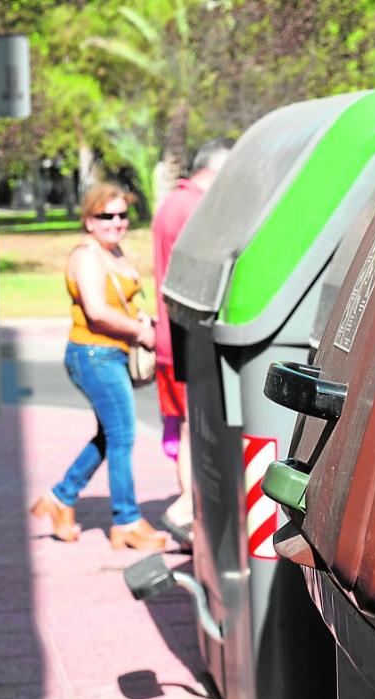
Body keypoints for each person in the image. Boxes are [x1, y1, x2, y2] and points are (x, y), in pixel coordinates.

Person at [30, 182, 167, 550]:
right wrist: (141, 331)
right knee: (122, 435)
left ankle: (60, 499)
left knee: (111, 434)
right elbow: (96, 310)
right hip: (93, 355)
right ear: (89, 220)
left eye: (122, 215)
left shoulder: (114, 252)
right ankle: (126, 521)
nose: (116, 222)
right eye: (106, 216)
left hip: (111, 353)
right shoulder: (87, 256)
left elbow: (120, 302)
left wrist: (143, 320)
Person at [151, 139, 232, 546]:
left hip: (170, 334)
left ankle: (187, 508)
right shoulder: (195, 208)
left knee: (185, 425)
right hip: (186, 336)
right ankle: (185, 509)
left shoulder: (171, 203)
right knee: (193, 429)